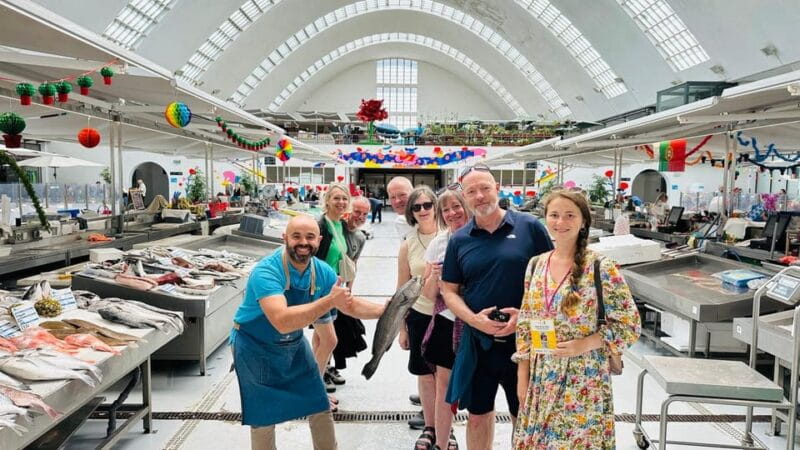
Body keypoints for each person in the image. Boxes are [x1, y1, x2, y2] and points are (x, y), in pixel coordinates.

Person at [230, 215, 384, 450]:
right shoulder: (267, 271)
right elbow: (282, 321)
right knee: (264, 416)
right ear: (285, 238)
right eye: (297, 237)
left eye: (310, 237)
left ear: (319, 240)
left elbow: (350, 305)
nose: (303, 242)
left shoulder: (322, 272)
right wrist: (328, 301)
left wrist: (386, 310)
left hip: (292, 342)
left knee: (319, 402)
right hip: (254, 345)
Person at [513, 190, 641, 448]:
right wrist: (522, 375)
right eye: (554, 215)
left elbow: (630, 324)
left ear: (583, 222)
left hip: (583, 379)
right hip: (542, 374)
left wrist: (585, 344)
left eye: (570, 215)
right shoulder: (536, 264)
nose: (560, 222)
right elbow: (526, 323)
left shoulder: (601, 267)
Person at [441, 164, 552, 449]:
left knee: (525, 414)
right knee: (477, 416)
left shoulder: (529, 227)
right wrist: (473, 320)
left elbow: (553, 282)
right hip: (480, 344)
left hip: (526, 343)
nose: (479, 196)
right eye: (471, 191)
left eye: (485, 188)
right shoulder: (460, 239)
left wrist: (524, 317)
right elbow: (449, 291)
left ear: (497, 189)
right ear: (465, 197)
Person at [420, 189, 472, 450]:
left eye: (457, 206)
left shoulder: (483, 237)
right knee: (444, 387)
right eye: (446, 210)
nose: (452, 213)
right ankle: (441, 443)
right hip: (446, 321)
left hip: (478, 322)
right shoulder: (439, 243)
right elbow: (428, 295)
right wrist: (435, 277)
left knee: (478, 390)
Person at [397, 186, 443, 450]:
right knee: (425, 374)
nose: (423, 210)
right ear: (411, 212)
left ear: (435, 206)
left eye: (427, 205)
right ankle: (430, 426)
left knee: (444, 375)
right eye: (417, 207)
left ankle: (446, 428)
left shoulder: (449, 235)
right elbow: (401, 289)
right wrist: (402, 328)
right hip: (419, 314)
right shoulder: (408, 243)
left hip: (447, 315)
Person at [312, 183, 352, 401]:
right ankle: (315, 387)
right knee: (328, 339)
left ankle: (322, 372)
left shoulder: (340, 225)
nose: (341, 202)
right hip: (320, 290)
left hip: (333, 289)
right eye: (336, 198)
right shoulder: (321, 226)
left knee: (321, 337)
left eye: (344, 198)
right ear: (327, 200)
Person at [331, 196, 371, 377]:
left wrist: (349, 290)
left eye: (365, 214)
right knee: (326, 333)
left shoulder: (360, 237)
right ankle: (323, 369)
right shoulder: (335, 228)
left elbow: (353, 264)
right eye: (357, 211)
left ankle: (330, 367)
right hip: (327, 288)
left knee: (338, 331)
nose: (360, 217)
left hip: (341, 290)